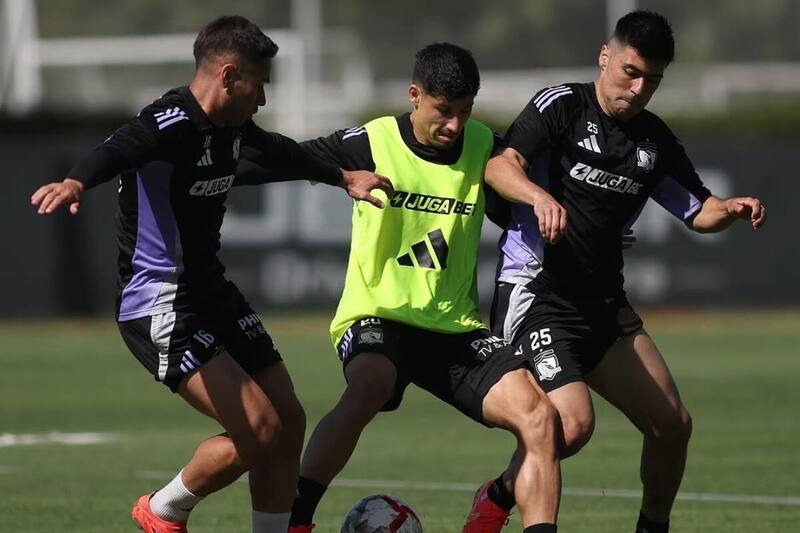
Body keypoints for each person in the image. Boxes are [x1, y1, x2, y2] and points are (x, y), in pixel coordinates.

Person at [30, 15, 392, 533]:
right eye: (259, 85)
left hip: (211, 292)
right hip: (158, 302)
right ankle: (162, 510)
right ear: (228, 75)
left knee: (288, 422)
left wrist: (342, 177)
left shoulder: (233, 128)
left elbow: (279, 152)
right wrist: (75, 181)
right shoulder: (167, 122)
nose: (263, 99)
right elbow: (118, 148)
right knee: (259, 428)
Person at [461, 10, 767, 533]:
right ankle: (495, 499)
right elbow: (499, 165)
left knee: (672, 425)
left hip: (603, 304)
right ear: (606, 56)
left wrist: (730, 210)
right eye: (630, 71)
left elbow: (699, 210)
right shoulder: (560, 106)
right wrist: (539, 197)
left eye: (652, 79)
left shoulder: (654, 142)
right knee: (573, 426)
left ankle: (651, 529)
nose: (638, 87)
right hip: (537, 296)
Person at [276, 42, 568, 533]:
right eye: (443, 111)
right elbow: (289, 160)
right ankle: (296, 521)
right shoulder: (373, 141)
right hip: (378, 315)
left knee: (541, 419)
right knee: (369, 385)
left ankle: (500, 513)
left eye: (464, 111)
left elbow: (524, 195)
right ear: (415, 95)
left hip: (453, 327)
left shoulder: (483, 147)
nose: (454, 125)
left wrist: (581, 227)